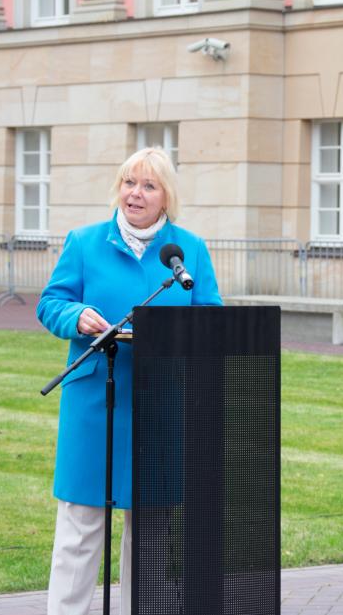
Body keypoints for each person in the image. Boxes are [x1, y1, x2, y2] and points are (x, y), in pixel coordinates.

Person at [36, 147, 222, 615]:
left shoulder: (188, 251)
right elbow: (51, 302)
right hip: (95, 404)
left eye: (148, 186)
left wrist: (179, 338)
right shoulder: (84, 242)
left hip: (161, 405)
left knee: (152, 534)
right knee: (79, 526)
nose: (135, 194)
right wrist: (77, 318)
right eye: (128, 183)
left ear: (166, 197)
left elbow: (210, 320)